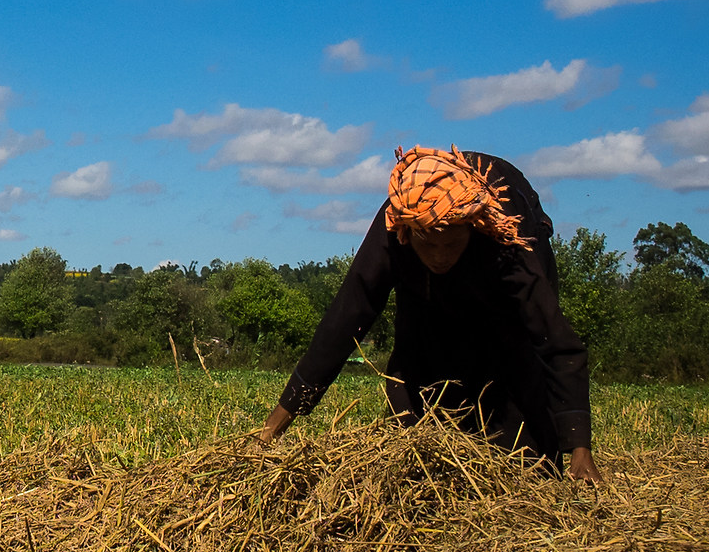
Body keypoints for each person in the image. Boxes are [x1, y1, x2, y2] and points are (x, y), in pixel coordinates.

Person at [255, 145, 601, 483]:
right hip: (422, 307)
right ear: (408, 234)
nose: (440, 256)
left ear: (469, 229)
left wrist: (580, 448)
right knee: (413, 426)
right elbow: (344, 321)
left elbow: (554, 341)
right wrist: (271, 431)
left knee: (523, 448)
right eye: (429, 245)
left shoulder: (507, 244)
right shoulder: (396, 226)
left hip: (505, 291)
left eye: (450, 244)